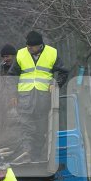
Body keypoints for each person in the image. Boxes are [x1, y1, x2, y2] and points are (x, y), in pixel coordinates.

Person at [8, 30, 68, 162]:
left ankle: (35, 155)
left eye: (32, 47)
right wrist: (13, 94)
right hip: (25, 98)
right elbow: (12, 76)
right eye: (28, 46)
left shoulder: (52, 53)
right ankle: (26, 153)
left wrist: (56, 84)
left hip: (43, 99)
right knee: (26, 127)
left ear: (40, 45)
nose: (29, 49)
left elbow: (64, 72)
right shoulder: (21, 54)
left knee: (40, 131)